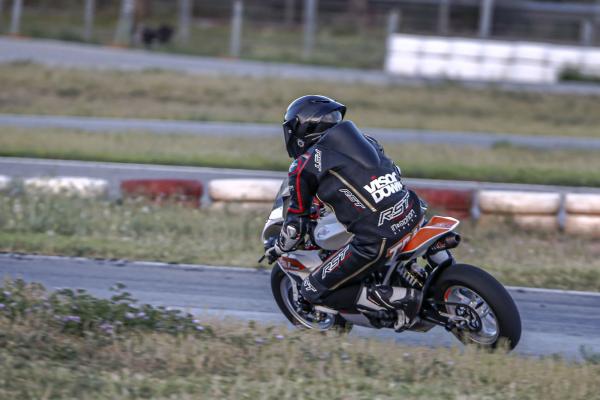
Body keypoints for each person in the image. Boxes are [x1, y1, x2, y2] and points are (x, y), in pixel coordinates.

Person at [265, 95, 424, 329]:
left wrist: (277, 248)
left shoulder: (304, 166)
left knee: (312, 290)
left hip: (376, 238)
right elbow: (391, 173)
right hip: (414, 210)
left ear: (301, 129)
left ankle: (400, 299)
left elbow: (294, 229)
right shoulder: (367, 141)